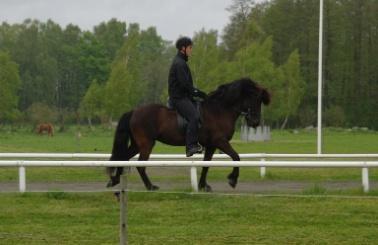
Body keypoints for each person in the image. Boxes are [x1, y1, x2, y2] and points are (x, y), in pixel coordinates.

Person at [168, 36, 207, 157]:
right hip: (178, 98)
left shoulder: (181, 62)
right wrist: (199, 93)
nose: (191, 50)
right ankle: (190, 146)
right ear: (183, 48)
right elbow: (185, 85)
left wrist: (197, 94)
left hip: (184, 96)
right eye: (190, 48)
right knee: (194, 116)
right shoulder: (179, 64)